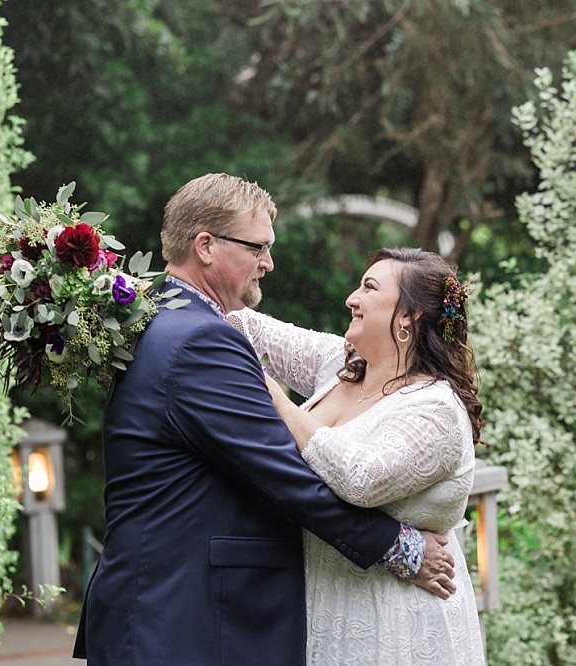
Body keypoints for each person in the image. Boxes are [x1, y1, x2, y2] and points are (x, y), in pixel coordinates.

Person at [72, 175, 458, 666]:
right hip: (182, 618)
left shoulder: (162, 318)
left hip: (162, 609)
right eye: (258, 247)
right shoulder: (199, 341)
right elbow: (284, 474)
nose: (268, 263)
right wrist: (400, 549)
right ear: (206, 246)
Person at [227, 247, 487, 665]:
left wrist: (278, 400)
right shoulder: (342, 364)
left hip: (395, 625)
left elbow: (361, 478)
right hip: (319, 608)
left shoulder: (436, 410)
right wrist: (120, 289)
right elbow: (242, 324)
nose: (352, 297)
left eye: (369, 287)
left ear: (408, 316)